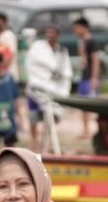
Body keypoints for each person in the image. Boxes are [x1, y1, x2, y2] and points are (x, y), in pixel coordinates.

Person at [25, 24, 72, 152]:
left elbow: (65, 72)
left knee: (49, 117)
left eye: (52, 32)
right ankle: (34, 142)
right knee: (33, 117)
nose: (49, 35)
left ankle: (46, 143)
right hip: (36, 87)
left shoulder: (61, 51)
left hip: (53, 89)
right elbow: (34, 64)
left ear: (58, 35)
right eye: (48, 32)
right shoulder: (38, 48)